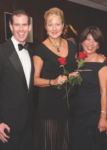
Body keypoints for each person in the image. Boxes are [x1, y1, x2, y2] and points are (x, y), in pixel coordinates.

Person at [33, 7, 78, 150]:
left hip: (67, 103)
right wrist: (52, 81)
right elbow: (34, 80)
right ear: (45, 26)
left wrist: (98, 59)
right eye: (50, 24)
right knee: (50, 143)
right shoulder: (40, 49)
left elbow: (77, 69)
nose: (54, 28)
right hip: (49, 104)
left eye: (57, 24)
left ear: (63, 25)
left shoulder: (71, 45)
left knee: (65, 141)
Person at [0, 10, 34, 150]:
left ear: (29, 27)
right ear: (11, 26)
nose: (21, 29)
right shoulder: (1, 51)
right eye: (17, 25)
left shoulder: (31, 53)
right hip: (7, 124)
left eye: (24, 25)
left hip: (29, 122)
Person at [72, 26, 107, 150]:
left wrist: (103, 117)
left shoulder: (102, 63)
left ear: (98, 44)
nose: (90, 44)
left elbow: (104, 92)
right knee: (77, 143)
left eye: (95, 40)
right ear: (82, 41)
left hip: (93, 113)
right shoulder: (76, 59)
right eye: (88, 39)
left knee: (92, 145)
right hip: (77, 111)